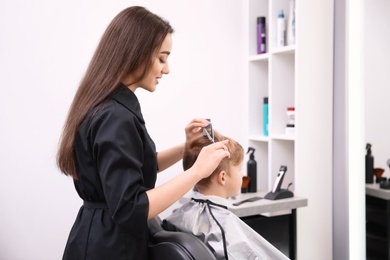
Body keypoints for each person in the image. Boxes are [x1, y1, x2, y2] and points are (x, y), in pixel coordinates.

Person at [56, 6, 230, 260]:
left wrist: (187, 148)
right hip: (111, 247)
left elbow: (139, 166)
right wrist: (197, 171)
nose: (167, 69)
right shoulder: (116, 117)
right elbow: (130, 208)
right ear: (136, 53)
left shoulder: (107, 107)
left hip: (96, 236)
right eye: (162, 58)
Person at [163, 130, 290, 260]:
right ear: (223, 177)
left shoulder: (178, 215)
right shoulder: (220, 230)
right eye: (239, 170)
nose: (242, 175)